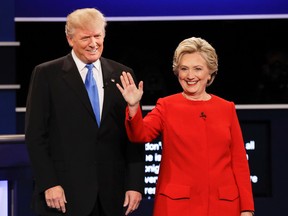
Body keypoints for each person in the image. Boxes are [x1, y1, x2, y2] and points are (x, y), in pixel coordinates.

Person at [25, 8, 145, 216]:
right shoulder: (46, 74)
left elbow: (133, 135)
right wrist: (49, 183)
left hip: (112, 195)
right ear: (70, 39)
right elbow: (35, 135)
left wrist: (135, 184)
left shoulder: (123, 74)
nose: (93, 43)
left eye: (98, 36)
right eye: (86, 37)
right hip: (64, 194)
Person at [117, 37, 255, 216]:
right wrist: (134, 107)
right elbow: (140, 135)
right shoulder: (166, 106)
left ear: (210, 73)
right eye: (184, 69)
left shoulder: (226, 108)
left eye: (198, 69)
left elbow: (239, 162)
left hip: (223, 206)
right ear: (177, 72)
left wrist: (247, 209)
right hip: (177, 206)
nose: (190, 76)